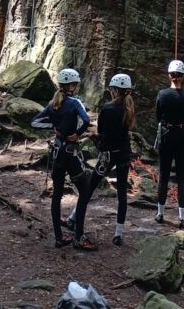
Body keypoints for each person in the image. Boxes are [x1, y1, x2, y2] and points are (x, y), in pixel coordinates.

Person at [63, 71, 135, 246]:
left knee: (89, 188)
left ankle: (73, 220)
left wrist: (91, 135)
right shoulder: (128, 108)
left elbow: (102, 134)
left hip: (107, 156)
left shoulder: (108, 109)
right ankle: (118, 233)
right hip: (124, 154)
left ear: (114, 90)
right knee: (122, 194)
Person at [33, 68, 96, 250]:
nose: (76, 87)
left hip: (57, 152)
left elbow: (35, 122)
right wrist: (76, 134)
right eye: (75, 85)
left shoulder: (53, 103)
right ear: (72, 86)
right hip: (70, 153)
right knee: (84, 191)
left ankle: (59, 238)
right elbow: (85, 121)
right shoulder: (75, 103)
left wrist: (55, 127)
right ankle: (79, 236)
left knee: (57, 194)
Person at [155, 59, 184, 229]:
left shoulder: (162, 94)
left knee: (163, 175)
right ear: (183, 76)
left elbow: (158, 116)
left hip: (166, 137)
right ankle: (182, 217)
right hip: (183, 138)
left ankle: (160, 213)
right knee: (181, 177)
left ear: (169, 75)